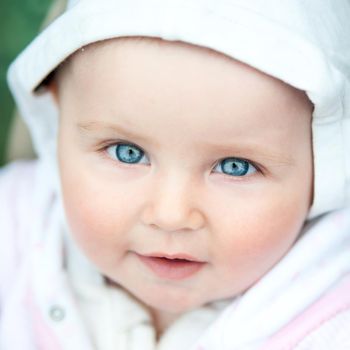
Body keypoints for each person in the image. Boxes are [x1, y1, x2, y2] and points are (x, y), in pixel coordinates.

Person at [1, 0, 350, 349]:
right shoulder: (15, 229)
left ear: (326, 161)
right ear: (58, 114)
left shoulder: (334, 321)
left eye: (235, 166)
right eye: (128, 152)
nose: (171, 216)